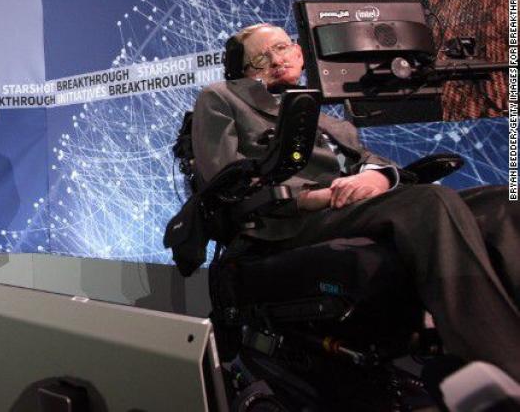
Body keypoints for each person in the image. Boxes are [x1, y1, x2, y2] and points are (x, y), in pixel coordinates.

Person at [191, 23, 520, 380]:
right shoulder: (222, 97)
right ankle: (497, 367)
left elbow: (374, 161)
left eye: (281, 48)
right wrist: (309, 200)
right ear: (244, 72)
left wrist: (378, 176)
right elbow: (225, 181)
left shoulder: (333, 124)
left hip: (352, 205)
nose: (275, 60)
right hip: (289, 218)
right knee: (428, 203)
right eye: (260, 58)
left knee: (500, 204)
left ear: (299, 53)